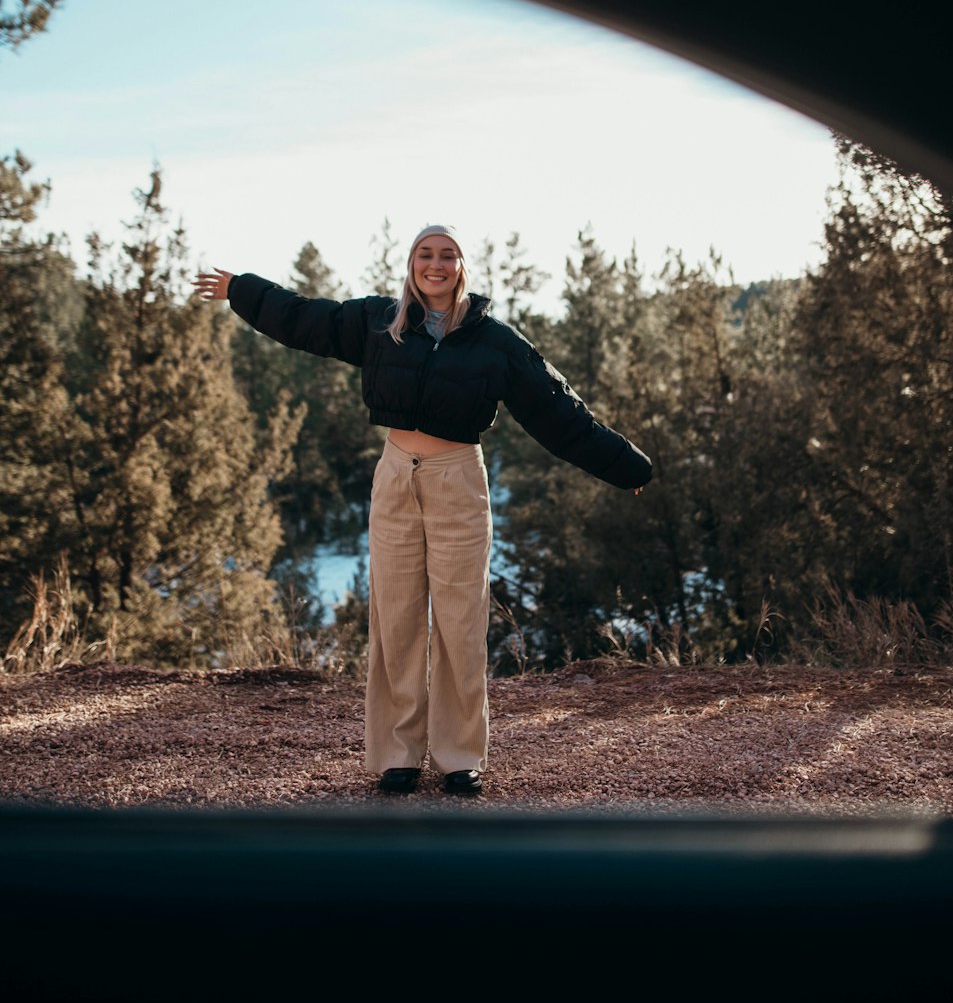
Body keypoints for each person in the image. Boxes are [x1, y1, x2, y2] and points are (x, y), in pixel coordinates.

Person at [193, 224, 652, 796]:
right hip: (394, 476)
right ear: (411, 264)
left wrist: (627, 466)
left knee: (460, 620)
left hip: (457, 479)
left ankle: (459, 756)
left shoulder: (495, 342)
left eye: (446, 255)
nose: (434, 264)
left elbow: (558, 410)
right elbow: (305, 317)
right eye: (424, 254)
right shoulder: (378, 322)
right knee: (397, 616)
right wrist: (243, 289)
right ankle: (397, 754)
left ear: (462, 267)